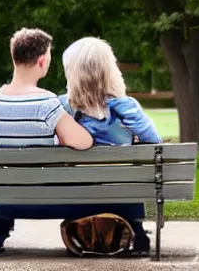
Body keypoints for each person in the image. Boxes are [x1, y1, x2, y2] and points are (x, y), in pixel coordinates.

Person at [0, 28, 93, 254]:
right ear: (42, 62)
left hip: (2, 200)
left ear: (14, 58)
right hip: (46, 197)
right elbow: (84, 142)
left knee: (0, 189)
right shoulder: (47, 103)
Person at [60, 37, 162, 253]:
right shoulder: (126, 107)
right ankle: (136, 231)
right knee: (127, 180)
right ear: (110, 71)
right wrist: (118, 99)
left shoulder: (60, 108)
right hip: (122, 196)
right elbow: (154, 141)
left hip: (73, 195)